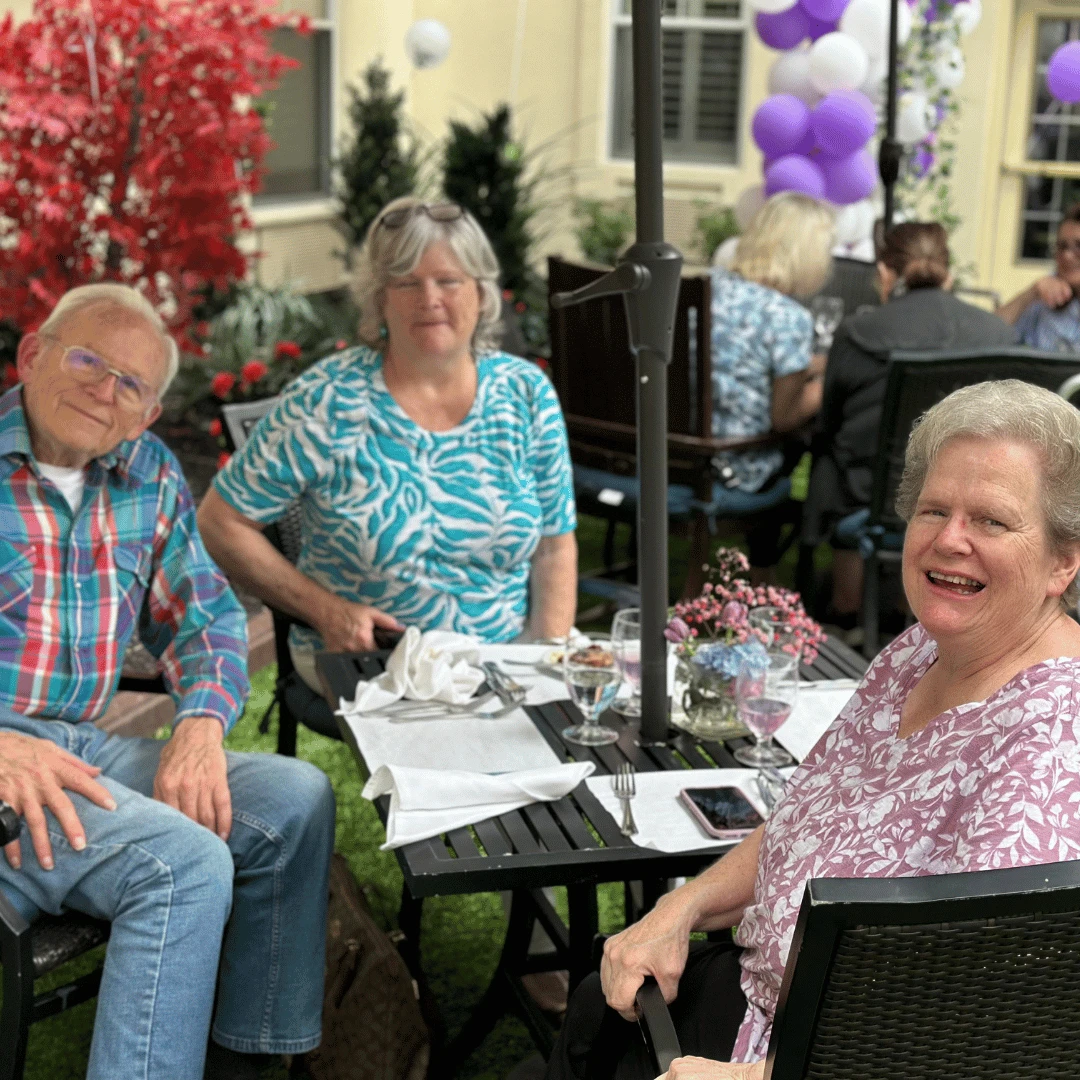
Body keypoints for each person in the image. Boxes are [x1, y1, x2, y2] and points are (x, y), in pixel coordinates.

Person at [547, 379, 1080, 1080]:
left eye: (992, 521)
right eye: (934, 510)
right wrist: (681, 908)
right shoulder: (920, 651)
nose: (950, 539)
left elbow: (990, 1019)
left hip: (824, 1058)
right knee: (596, 1008)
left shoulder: (1052, 739)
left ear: (1064, 561)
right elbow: (808, 820)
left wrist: (754, 1076)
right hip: (756, 995)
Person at [0, 284, 335, 1080]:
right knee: (181, 864)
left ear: (147, 414)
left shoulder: (145, 472)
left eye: (130, 383)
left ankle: (242, 1065)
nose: (103, 389)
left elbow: (205, 618)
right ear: (33, 355)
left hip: (82, 751)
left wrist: (200, 725)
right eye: (88, 360)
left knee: (295, 801)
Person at [198, 197, 578, 692]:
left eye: (449, 280)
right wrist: (327, 612)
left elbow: (554, 547)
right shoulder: (327, 400)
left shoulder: (525, 393)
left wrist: (544, 660)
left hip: (500, 659)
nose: (430, 298)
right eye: (406, 283)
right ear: (379, 299)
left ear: (482, 294)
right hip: (371, 661)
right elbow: (220, 522)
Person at [803, 221, 1015, 626]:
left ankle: (846, 608)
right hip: (970, 497)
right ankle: (911, 610)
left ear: (885, 273)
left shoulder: (859, 332)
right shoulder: (996, 333)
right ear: (948, 274)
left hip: (870, 497)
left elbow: (828, 422)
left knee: (833, 461)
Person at [708, 192, 834, 573]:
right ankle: (766, 573)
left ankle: (759, 572)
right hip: (734, 466)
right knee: (798, 447)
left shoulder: (707, 288)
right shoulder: (787, 317)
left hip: (677, 454)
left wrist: (810, 366)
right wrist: (830, 379)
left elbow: (739, 363)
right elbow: (784, 417)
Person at [998, 202, 1080, 351]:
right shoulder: (1046, 298)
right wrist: (1031, 293)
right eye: (1061, 246)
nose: (1067, 255)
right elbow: (988, 335)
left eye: (1079, 246)